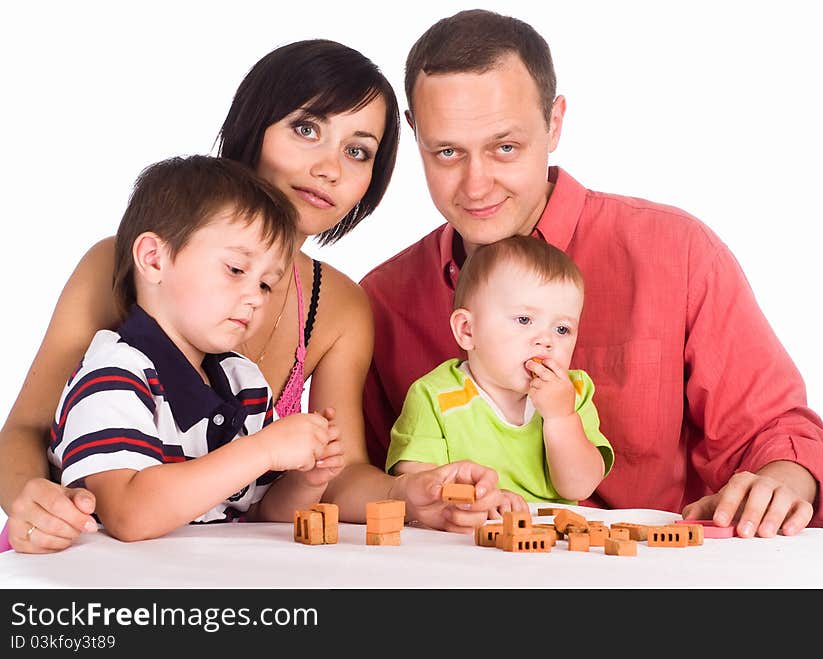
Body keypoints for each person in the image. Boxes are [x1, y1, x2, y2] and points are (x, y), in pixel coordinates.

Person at [360, 9, 823, 538]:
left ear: (554, 124)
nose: (476, 184)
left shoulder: (677, 253)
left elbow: (776, 430)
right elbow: (361, 483)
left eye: (505, 147)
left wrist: (785, 476)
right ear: (415, 134)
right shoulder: (383, 300)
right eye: (446, 152)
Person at [0, 39, 504, 554]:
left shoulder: (342, 306)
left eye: (358, 151)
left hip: (212, 563)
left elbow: (336, 471)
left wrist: (408, 493)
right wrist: (32, 500)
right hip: (78, 550)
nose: (330, 168)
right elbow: (25, 429)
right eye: (306, 129)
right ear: (253, 126)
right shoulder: (129, 260)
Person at [48, 154, 346, 543]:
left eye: (266, 284)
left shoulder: (244, 383)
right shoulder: (115, 371)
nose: (255, 298)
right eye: (236, 270)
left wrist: (307, 478)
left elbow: (259, 510)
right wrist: (264, 450)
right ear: (154, 259)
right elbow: (127, 512)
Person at [387, 236, 614, 508]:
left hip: (553, 542)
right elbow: (418, 487)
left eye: (562, 329)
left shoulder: (573, 393)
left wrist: (561, 417)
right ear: (467, 330)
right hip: (464, 537)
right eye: (524, 320)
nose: (546, 340)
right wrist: (480, 497)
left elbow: (579, 486)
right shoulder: (436, 396)